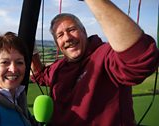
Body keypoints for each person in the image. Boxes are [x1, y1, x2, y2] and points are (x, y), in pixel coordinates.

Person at [30, 0, 159, 126]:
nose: (67, 38)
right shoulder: (59, 67)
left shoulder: (104, 55)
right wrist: (31, 48)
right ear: (57, 43)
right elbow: (39, 75)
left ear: (84, 31)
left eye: (71, 29)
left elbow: (140, 59)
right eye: (60, 35)